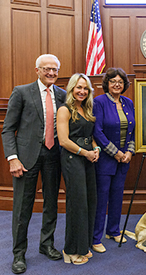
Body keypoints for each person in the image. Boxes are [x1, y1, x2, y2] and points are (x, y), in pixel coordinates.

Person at [1, 54, 66, 274]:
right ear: (37, 70)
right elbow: (8, 128)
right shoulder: (21, 92)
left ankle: (46, 244)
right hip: (25, 158)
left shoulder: (62, 94)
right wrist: (13, 158)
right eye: (47, 69)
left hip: (53, 156)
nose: (51, 73)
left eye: (55, 70)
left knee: (51, 204)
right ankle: (19, 254)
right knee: (22, 208)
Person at [57, 73, 100, 265]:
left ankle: (83, 246)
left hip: (88, 158)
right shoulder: (64, 110)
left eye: (85, 88)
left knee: (90, 200)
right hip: (72, 158)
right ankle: (70, 250)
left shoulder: (86, 109)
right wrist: (85, 152)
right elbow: (64, 140)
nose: (82, 91)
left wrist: (96, 148)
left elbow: (88, 135)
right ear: (72, 89)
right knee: (77, 204)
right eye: (79, 87)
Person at [92, 68, 135, 253]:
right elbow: (97, 131)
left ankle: (113, 230)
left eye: (120, 81)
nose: (117, 84)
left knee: (117, 196)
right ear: (107, 84)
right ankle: (95, 237)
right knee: (102, 198)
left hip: (124, 159)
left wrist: (130, 153)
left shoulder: (128, 102)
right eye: (113, 81)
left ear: (124, 85)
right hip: (105, 159)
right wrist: (116, 153)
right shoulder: (99, 102)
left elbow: (133, 130)